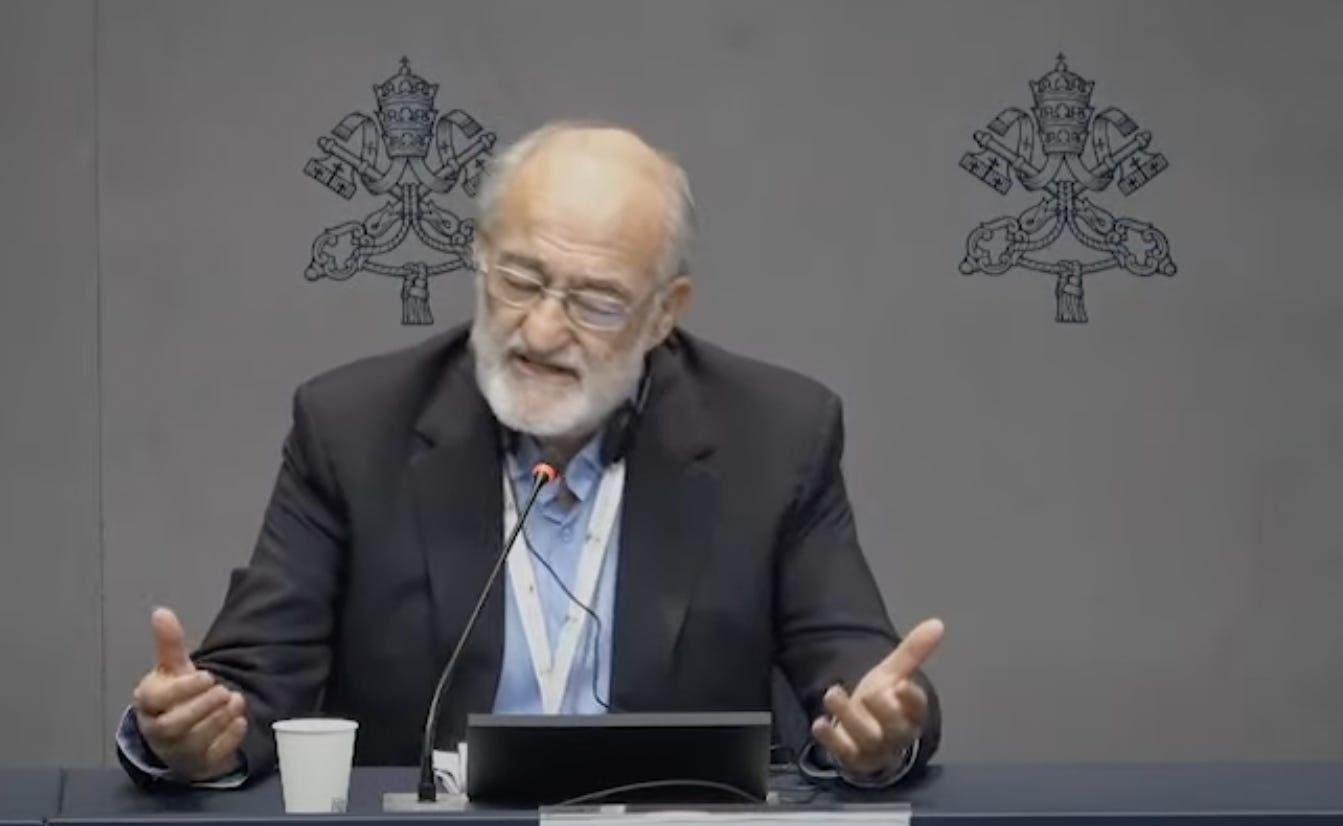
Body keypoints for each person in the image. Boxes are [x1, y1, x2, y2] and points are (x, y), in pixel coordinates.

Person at [117, 121, 945, 789]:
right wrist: (192, 733)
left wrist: (879, 728)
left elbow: (861, 677)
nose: (543, 331)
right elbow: (249, 689)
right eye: (518, 280)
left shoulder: (776, 435)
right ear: (479, 252)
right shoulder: (353, 428)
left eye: (596, 302)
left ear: (665, 312)